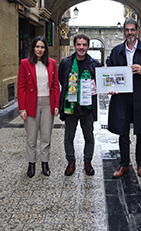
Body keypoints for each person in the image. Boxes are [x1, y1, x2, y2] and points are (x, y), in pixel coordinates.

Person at [107, 18, 141, 178]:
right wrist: (111, 87)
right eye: (127, 30)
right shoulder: (116, 51)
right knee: (122, 132)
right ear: (124, 31)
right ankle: (124, 164)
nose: (130, 32)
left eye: (132, 30)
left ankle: (140, 163)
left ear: (137, 31)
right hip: (122, 99)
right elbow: (110, 72)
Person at [58, 34, 102, 176]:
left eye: (84, 45)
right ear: (74, 45)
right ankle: (71, 162)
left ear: (88, 46)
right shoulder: (66, 62)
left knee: (88, 136)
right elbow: (62, 80)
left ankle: (87, 162)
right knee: (68, 137)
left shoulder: (94, 64)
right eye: (79, 45)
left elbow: (101, 84)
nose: (81, 48)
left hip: (87, 107)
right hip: (70, 106)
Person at [17, 36, 60, 178]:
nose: (39, 50)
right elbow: (21, 87)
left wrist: (56, 104)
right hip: (31, 103)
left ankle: (45, 163)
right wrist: (22, 108)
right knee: (31, 136)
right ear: (33, 48)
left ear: (45, 49)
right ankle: (31, 164)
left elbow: (55, 85)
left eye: (42, 47)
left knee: (46, 136)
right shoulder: (25, 63)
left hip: (48, 102)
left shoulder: (52, 63)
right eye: (37, 47)